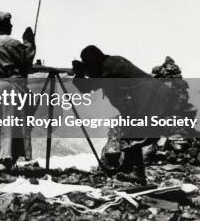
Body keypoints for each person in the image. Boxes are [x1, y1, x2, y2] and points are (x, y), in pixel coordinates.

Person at [72, 45, 170, 183]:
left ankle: (137, 174)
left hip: (150, 100)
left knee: (133, 133)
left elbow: (89, 86)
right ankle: (128, 169)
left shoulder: (109, 67)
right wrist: (81, 74)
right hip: (151, 98)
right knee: (129, 133)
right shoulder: (112, 62)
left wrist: (80, 74)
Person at [0, 11, 36, 171]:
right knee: (14, 121)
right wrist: (29, 40)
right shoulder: (10, 43)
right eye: (9, 23)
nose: (12, 25)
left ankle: (4, 158)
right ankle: (5, 160)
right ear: (3, 25)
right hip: (13, 87)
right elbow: (27, 57)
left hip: (0, 86)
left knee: (3, 121)